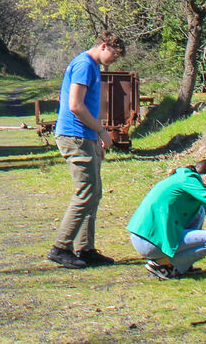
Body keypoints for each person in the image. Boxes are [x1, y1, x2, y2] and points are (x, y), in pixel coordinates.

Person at [46, 31, 126, 269]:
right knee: (86, 193)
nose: (114, 60)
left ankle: (86, 249)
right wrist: (101, 131)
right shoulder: (84, 65)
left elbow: (88, 105)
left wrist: (95, 138)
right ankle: (61, 248)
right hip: (74, 136)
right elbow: (75, 106)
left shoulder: (93, 67)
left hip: (85, 137)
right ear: (103, 46)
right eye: (114, 54)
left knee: (95, 192)